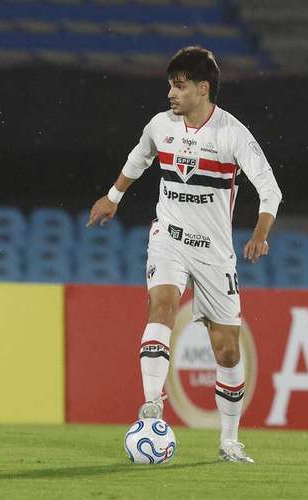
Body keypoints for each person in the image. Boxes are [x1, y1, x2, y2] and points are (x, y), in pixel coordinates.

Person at [87, 46, 282, 463]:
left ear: (203, 89)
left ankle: (229, 440)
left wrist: (261, 233)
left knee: (227, 350)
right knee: (162, 306)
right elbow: (138, 158)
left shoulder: (232, 134)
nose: (171, 94)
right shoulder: (161, 126)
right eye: (170, 86)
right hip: (169, 238)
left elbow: (270, 189)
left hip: (214, 252)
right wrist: (112, 196)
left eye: (179, 86)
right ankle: (152, 406)